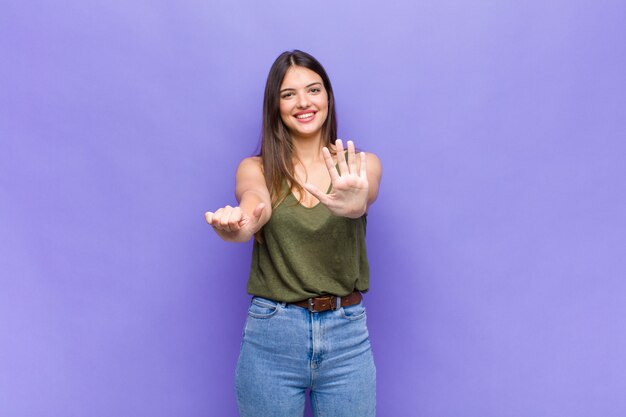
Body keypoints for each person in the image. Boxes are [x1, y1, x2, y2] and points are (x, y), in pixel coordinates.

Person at [205, 50, 382, 417]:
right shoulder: (257, 168)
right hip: (273, 336)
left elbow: (361, 199)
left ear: (328, 98)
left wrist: (352, 202)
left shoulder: (361, 165)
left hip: (346, 337)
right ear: (275, 106)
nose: (303, 102)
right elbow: (255, 205)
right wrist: (239, 225)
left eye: (313, 90)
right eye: (289, 94)